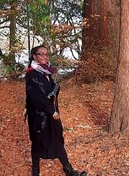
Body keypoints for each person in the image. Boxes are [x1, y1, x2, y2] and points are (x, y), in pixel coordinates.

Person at [24, 45, 87, 176]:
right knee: (38, 142)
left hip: (50, 113)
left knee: (57, 139)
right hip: (39, 116)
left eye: (46, 54)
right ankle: (35, 172)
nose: (44, 57)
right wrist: (51, 111)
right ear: (34, 56)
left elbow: (50, 91)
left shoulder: (46, 71)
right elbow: (36, 97)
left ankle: (69, 170)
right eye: (41, 54)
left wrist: (55, 87)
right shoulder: (31, 74)